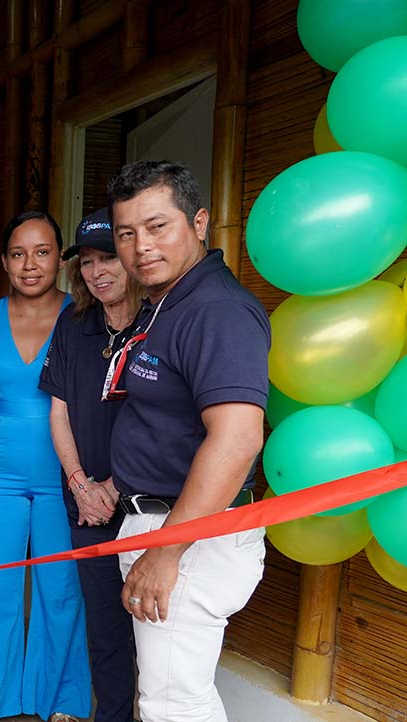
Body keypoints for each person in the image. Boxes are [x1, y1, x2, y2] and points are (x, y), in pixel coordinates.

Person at [107, 161, 270, 722]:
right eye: (126, 233)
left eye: (157, 227)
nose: (140, 247)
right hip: (163, 525)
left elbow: (238, 439)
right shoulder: (167, 302)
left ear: (199, 223)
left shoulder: (217, 310)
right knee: (168, 695)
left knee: (174, 704)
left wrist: (167, 550)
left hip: (190, 536)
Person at [0, 211, 90, 722]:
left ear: (59, 259)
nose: (31, 265)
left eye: (43, 252)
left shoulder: (82, 317)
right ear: (5, 261)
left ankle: (64, 700)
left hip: (63, 479)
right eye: (18, 253)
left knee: (61, 590)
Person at [39, 207, 143, 722]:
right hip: (89, 508)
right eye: (87, 262)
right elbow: (58, 412)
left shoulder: (160, 322)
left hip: (149, 504)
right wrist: (82, 486)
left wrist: (115, 485)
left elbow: (174, 426)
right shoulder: (74, 325)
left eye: (110, 258)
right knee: (104, 631)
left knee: (156, 633)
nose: (98, 272)